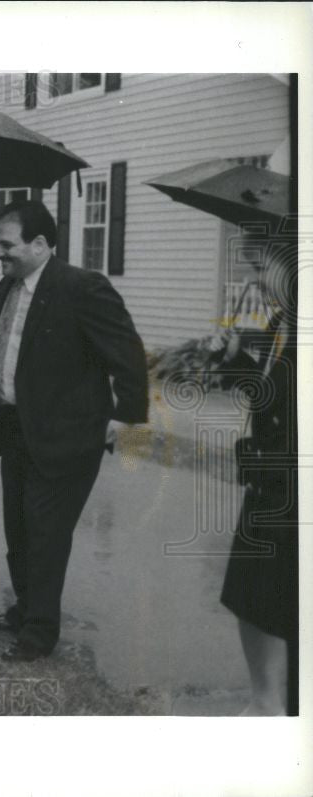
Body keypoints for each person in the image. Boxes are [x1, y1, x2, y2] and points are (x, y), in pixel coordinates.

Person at [0, 200, 148, 662]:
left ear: (39, 244)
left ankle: (40, 633)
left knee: (46, 534)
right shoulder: (8, 287)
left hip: (68, 436)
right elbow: (7, 339)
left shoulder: (82, 288)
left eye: (6, 244)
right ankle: (24, 611)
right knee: (18, 528)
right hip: (17, 428)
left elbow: (128, 351)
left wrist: (126, 413)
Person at [213, 233, 297, 716]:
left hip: (290, 493)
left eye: (262, 268)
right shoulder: (280, 321)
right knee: (250, 600)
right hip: (266, 486)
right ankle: (265, 700)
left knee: (278, 604)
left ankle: (279, 712)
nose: (255, 279)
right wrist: (238, 363)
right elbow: (273, 397)